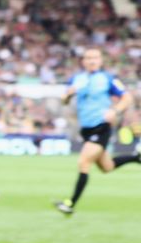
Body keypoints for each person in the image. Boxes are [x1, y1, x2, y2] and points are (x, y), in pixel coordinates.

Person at [54, 48, 137, 215]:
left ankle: (70, 204)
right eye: (88, 58)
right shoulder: (77, 79)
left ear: (101, 61)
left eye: (95, 58)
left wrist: (115, 111)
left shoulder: (108, 79)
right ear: (83, 61)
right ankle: (137, 157)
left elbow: (127, 98)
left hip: (101, 127)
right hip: (86, 128)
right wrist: (68, 96)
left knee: (83, 162)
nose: (92, 61)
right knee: (107, 167)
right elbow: (63, 100)